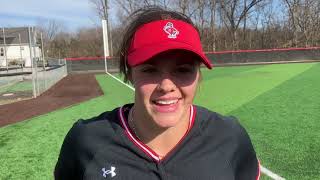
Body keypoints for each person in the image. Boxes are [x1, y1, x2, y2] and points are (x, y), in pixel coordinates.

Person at [54, 6, 260, 180]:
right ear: (129, 73)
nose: (166, 85)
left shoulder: (229, 136)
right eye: (150, 70)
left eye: (183, 70)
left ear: (198, 75)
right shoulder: (85, 140)